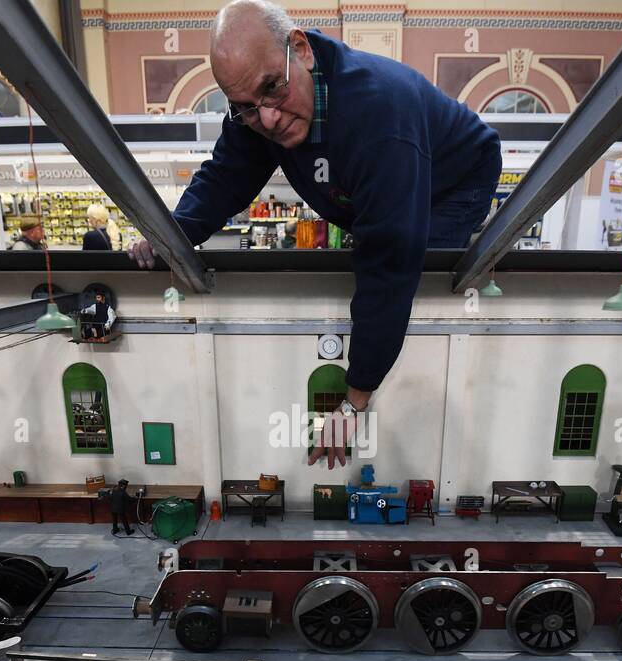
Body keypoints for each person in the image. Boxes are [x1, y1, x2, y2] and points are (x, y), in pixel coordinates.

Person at [126, 0, 501, 467]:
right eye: (245, 107)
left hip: (452, 186)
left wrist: (353, 401)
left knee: (417, 294)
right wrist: (173, 234)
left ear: (300, 50)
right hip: (379, 175)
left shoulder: (379, 114)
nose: (267, 119)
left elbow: (388, 262)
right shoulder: (264, 103)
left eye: (272, 90)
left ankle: (414, 422)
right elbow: (226, 174)